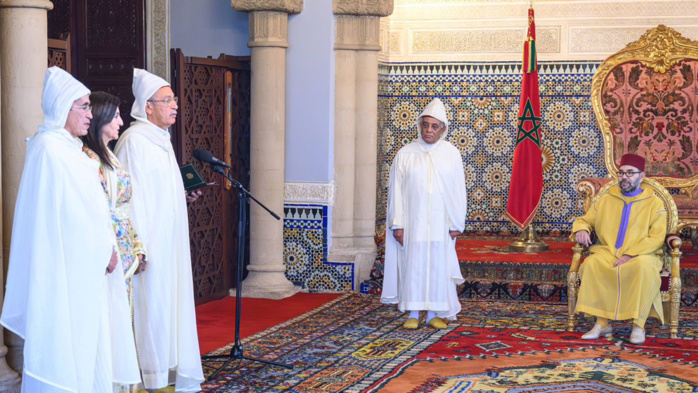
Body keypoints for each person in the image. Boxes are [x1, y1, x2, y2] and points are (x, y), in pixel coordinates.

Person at [0, 67, 140, 392]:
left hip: (88, 270)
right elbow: (58, 219)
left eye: (90, 106)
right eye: (84, 106)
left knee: (89, 348)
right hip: (68, 269)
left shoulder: (71, 150)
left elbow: (91, 209)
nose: (90, 114)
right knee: (67, 346)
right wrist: (101, 249)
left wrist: (107, 247)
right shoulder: (48, 149)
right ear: (63, 106)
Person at [114, 68, 204, 391]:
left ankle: (165, 376)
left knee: (167, 310)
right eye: (167, 100)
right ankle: (145, 379)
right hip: (148, 250)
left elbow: (159, 194)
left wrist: (183, 196)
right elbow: (129, 201)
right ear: (147, 106)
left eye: (174, 99)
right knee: (151, 310)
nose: (174, 105)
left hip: (170, 246)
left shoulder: (161, 141)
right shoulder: (133, 142)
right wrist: (139, 250)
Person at [380, 98, 467, 329]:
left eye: (434, 126)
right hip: (413, 223)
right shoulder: (406, 154)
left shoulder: (451, 154)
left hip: (441, 224)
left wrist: (456, 222)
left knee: (438, 267)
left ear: (443, 129)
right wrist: (397, 224)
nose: (429, 130)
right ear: (419, 126)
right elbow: (396, 192)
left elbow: (459, 190)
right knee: (414, 265)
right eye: (425, 125)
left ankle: (433, 315)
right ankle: (413, 312)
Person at [81, 91, 147, 392]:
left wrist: (135, 246)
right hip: (107, 248)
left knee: (124, 314)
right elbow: (98, 209)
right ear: (101, 118)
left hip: (123, 245)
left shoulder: (108, 155)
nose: (121, 122)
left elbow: (124, 207)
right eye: (116, 116)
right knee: (108, 316)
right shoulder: (89, 159)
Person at [572, 153, 666, 345]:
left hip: (642, 254)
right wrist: (581, 228)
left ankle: (638, 325)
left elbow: (657, 237)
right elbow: (585, 220)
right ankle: (602, 323)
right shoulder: (606, 199)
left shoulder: (654, 203)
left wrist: (631, 254)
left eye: (630, 173)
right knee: (591, 264)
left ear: (642, 176)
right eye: (621, 173)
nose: (625, 177)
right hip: (608, 252)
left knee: (643, 268)